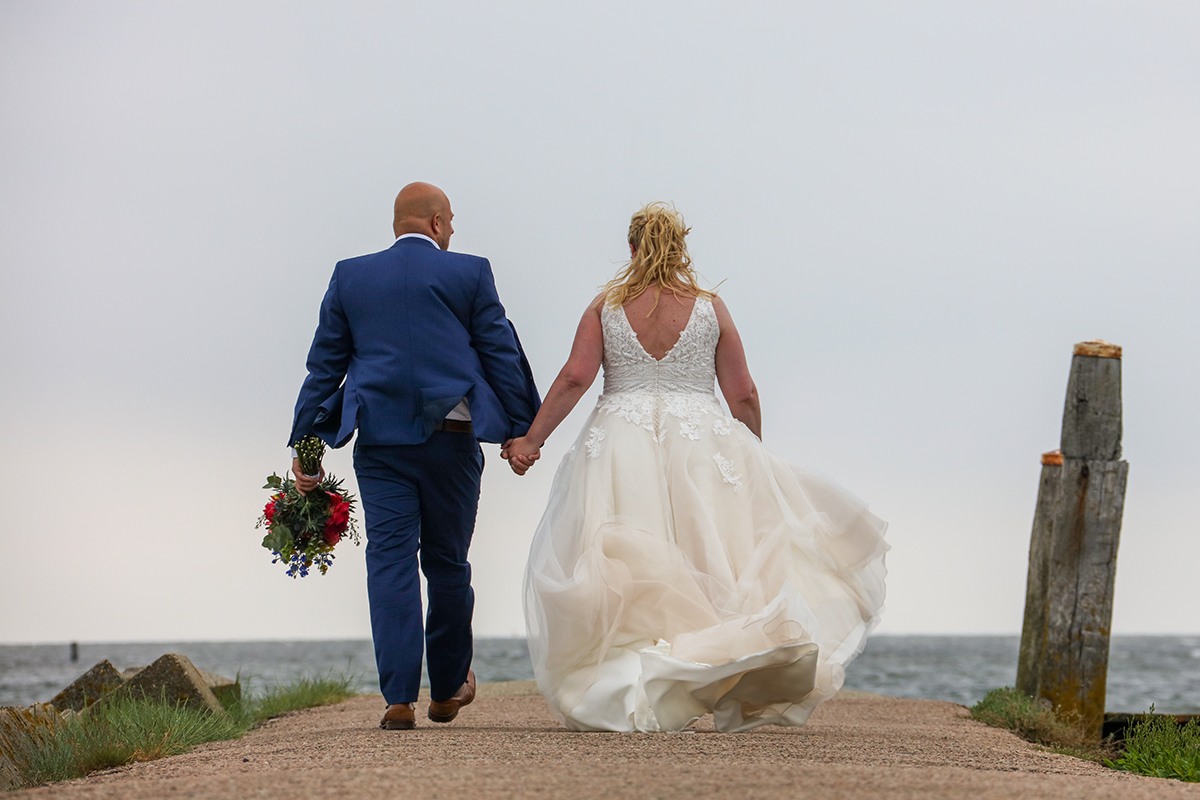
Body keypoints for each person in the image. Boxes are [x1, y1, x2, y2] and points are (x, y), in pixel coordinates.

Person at [502, 203, 887, 732]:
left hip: (621, 438)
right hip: (702, 441)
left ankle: (637, 678)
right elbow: (743, 392)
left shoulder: (606, 306)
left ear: (632, 248)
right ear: (682, 248)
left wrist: (531, 439)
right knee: (711, 554)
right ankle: (713, 666)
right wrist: (753, 454)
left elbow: (574, 377)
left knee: (627, 558)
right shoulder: (710, 307)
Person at [289, 182, 540, 731]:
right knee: (447, 562)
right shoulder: (470, 272)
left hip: (380, 444)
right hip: (451, 439)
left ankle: (398, 699)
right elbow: (500, 350)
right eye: (450, 221)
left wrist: (307, 450)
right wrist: (523, 433)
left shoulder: (350, 275)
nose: (452, 231)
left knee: (390, 561)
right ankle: (448, 687)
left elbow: (324, 366)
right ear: (434, 223)